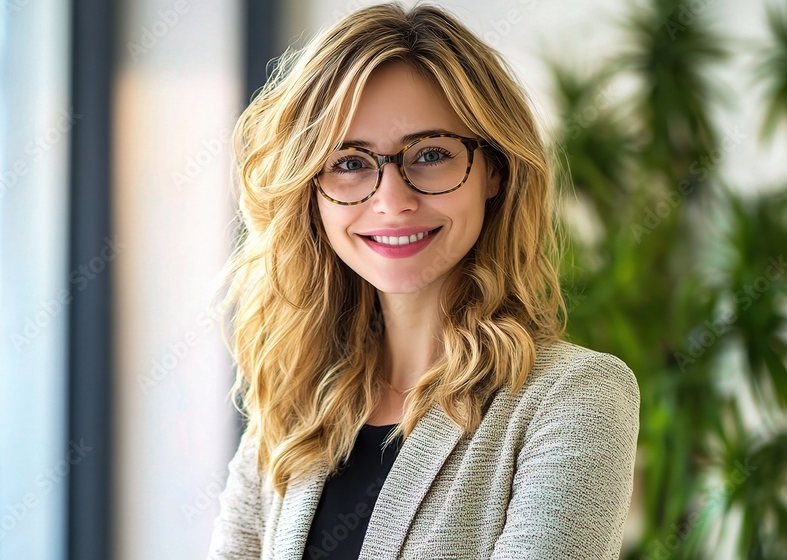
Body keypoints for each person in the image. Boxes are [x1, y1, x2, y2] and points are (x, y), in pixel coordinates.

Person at [207, 3, 640, 559]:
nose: (392, 201)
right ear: (311, 193)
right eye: (348, 162)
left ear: (495, 171)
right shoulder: (296, 408)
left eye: (431, 154)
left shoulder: (573, 399)